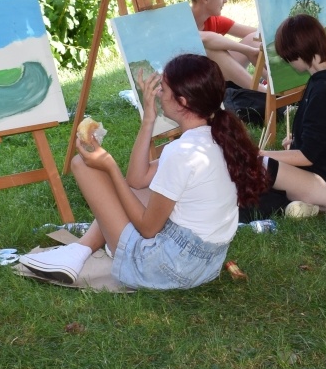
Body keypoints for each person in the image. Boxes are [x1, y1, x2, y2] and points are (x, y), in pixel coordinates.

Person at [22, 54, 268, 290]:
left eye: (164, 89)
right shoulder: (215, 139)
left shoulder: (181, 153)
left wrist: (110, 166)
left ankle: (78, 252)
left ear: (182, 102)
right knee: (139, 190)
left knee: (82, 164)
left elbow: (148, 228)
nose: (159, 94)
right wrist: (149, 119)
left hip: (167, 268)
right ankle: (79, 250)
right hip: (205, 265)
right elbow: (137, 180)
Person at [258, 14, 326, 215]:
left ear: (297, 51)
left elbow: (307, 156)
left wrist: (262, 153)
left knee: (258, 166)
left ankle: (303, 204)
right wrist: (298, 141)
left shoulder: (324, 90)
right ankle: (303, 206)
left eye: (287, 56)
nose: (287, 61)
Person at [186, 0, 261, 90]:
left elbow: (259, 34)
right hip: (196, 83)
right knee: (215, 51)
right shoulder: (183, 21)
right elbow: (207, 38)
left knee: (254, 38)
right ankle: (263, 92)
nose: (225, 0)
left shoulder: (213, 20)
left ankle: (274, 83)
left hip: (217, 76)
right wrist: (247, 50)